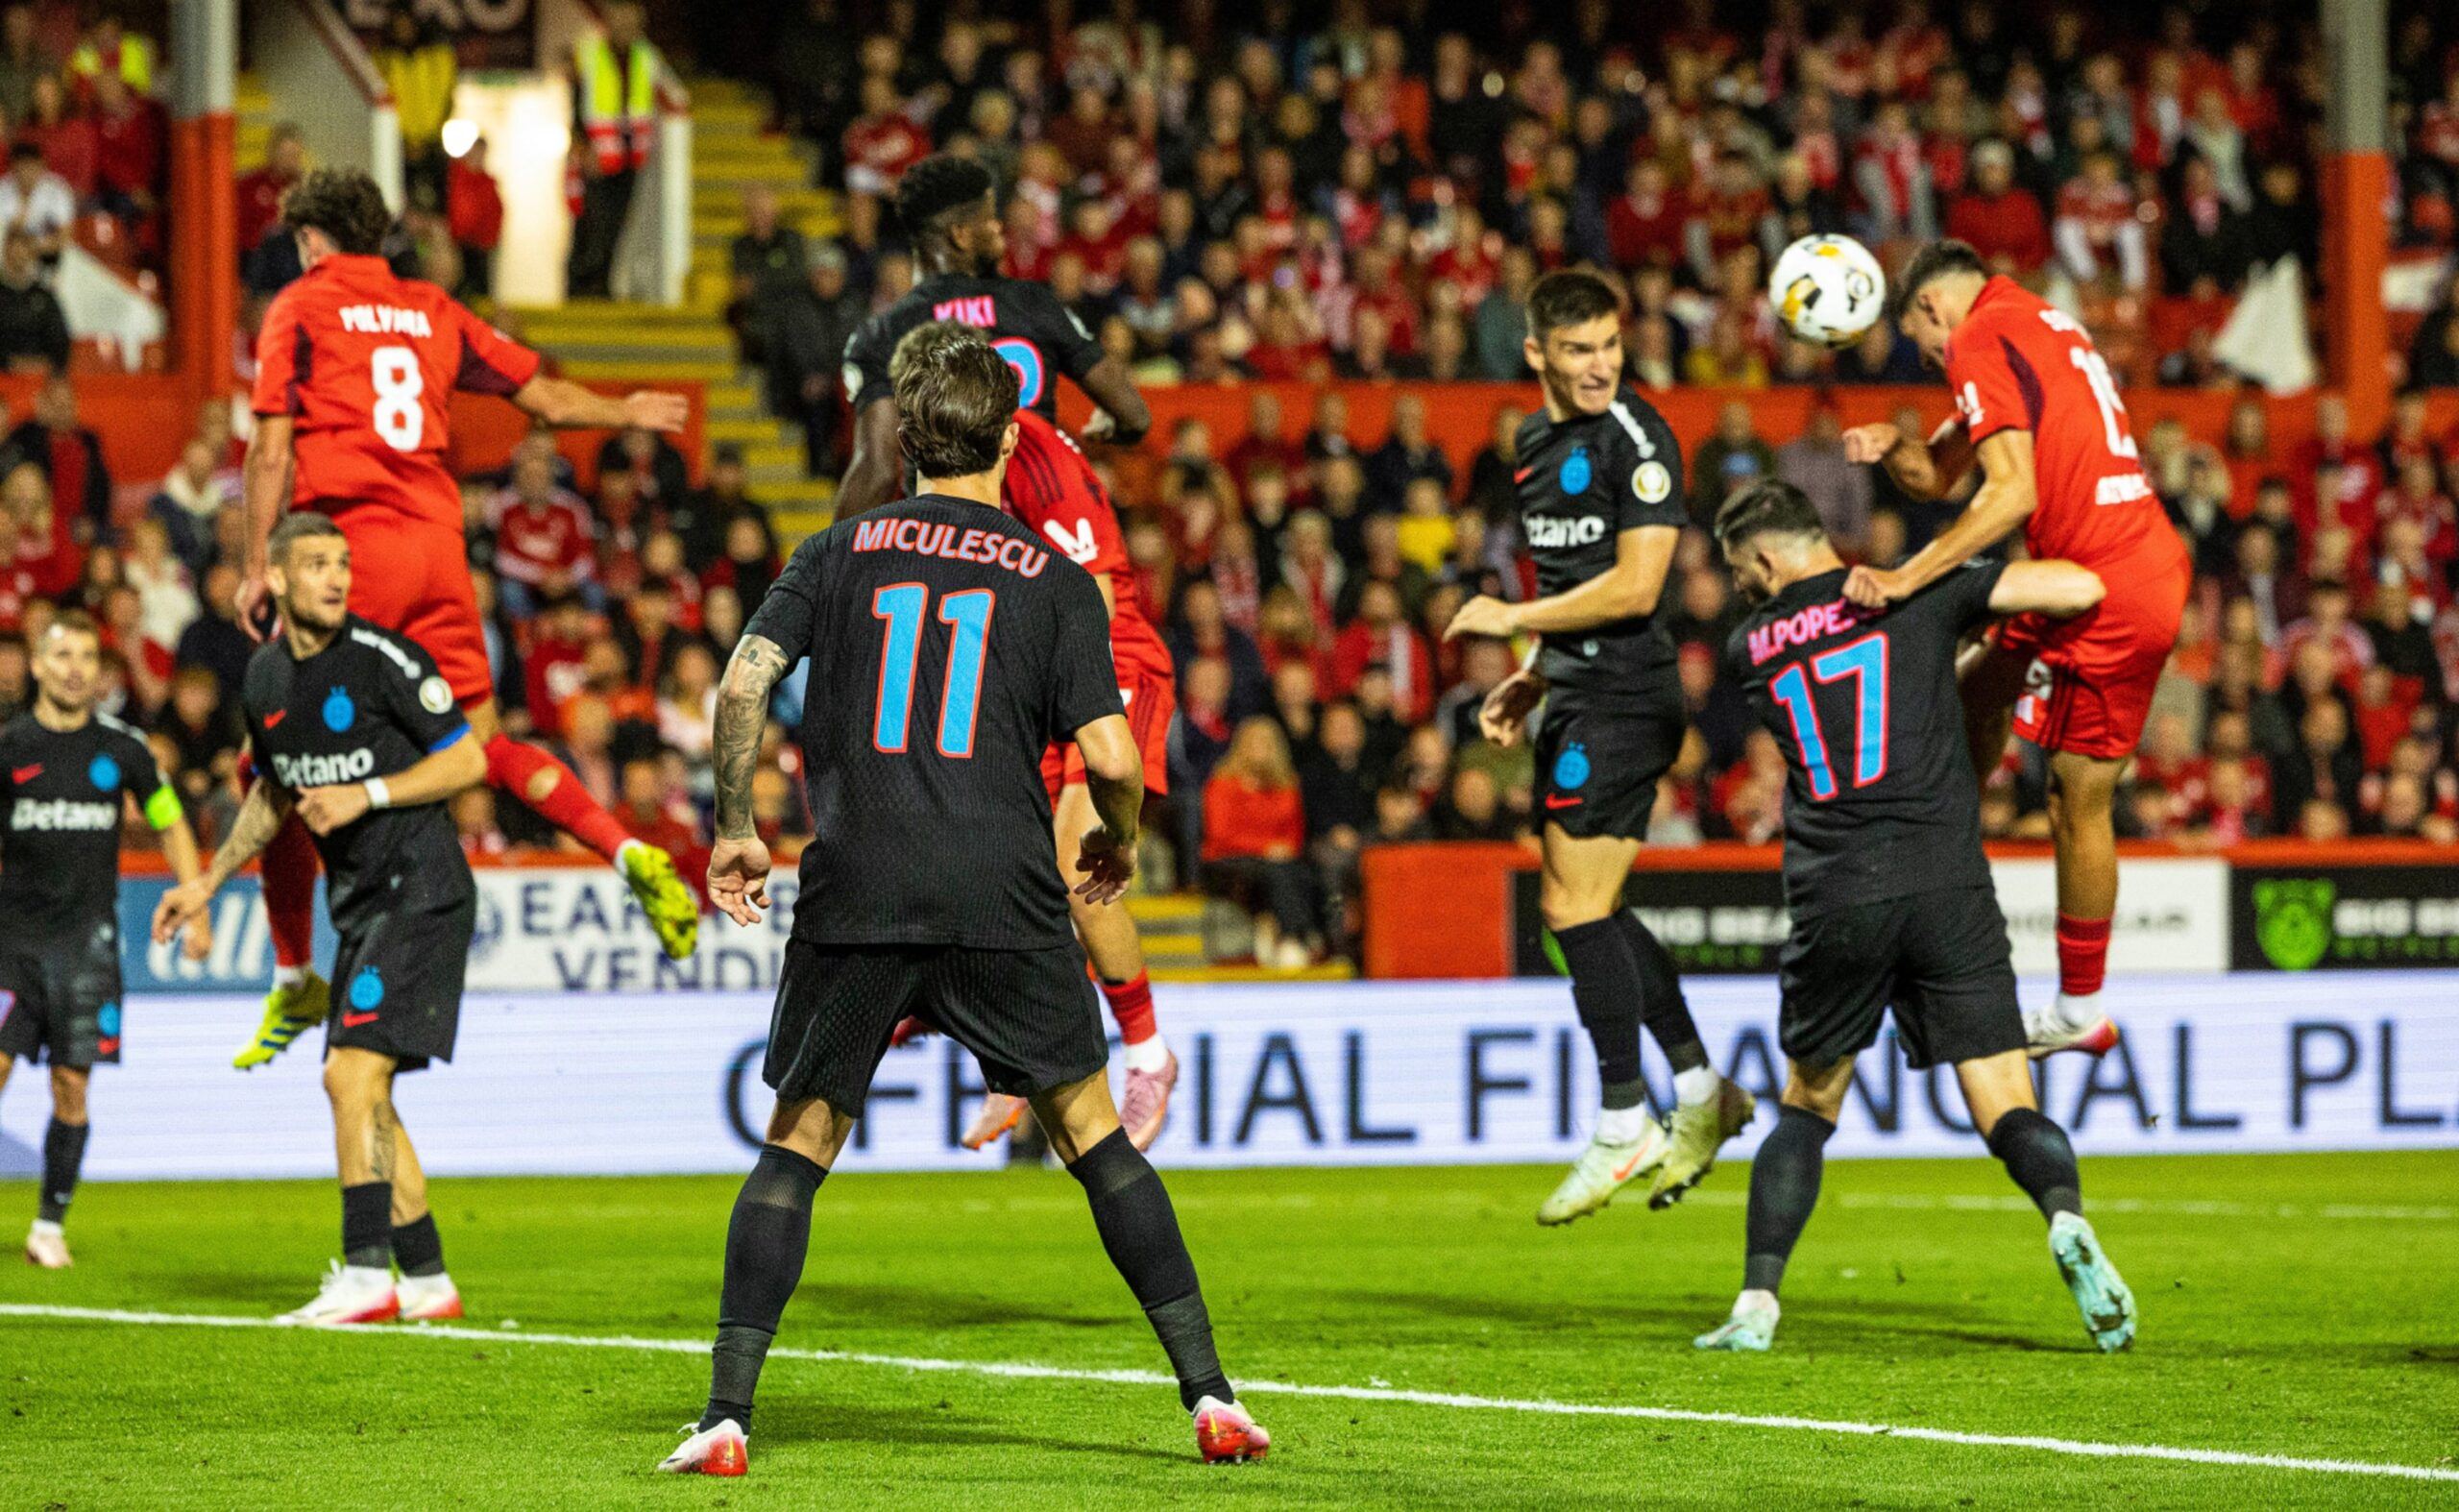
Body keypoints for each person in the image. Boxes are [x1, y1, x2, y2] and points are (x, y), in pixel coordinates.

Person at [656, 324, 1265, 1476]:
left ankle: (726, 1415)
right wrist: (1118, 845)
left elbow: (742, 678)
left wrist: (735, 826)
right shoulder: (1055, 577)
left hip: (860, 882)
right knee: (1093, 1136)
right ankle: (1212, 1397)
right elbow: (1114, 757)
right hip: (1002, 889)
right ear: (1008, 436)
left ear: (906, 441)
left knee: (797, 1145)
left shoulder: (836, 548)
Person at [233, 167, 700, 1073]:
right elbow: (548, 400)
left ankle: (295, 974)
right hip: (442, 554)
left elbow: (267, 447)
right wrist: (626, 407)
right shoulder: (431, 306)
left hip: (350, 549)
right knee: (481, 741)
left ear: (312, 240)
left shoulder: (301, 303)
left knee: (272, 762)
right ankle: (625, 846)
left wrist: (260, 563)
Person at [1699, 478, 2134, 1354]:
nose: (1742, 586)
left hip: (1836, 890)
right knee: (2006, 1099)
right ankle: (2063, 1217)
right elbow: (2079, 589)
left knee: (1809, 1105)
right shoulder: (1916, 592)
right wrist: (1937, 582)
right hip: (1946, 882)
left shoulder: (1751, 645)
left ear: (1761, 559)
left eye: (1740, 570)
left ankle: (1756, 1304)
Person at [836, 155, 1177, 1141]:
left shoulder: (1028, 453)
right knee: (981, 841)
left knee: (1074, 856)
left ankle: (1147, 1051)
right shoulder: (964, 455)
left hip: (1100, 646)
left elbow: (1087, 592)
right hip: (1036, 653)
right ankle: (1013, 1046)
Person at [1445, 269, 1753, 1224]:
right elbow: (1579, 576)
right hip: (1574, 689)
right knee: (1594, 906)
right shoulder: (1532, 443)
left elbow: (1632, 586)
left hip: (1627, 692)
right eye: (1578, 350)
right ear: (1534, 353)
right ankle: (1702, 1090)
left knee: (1571, 904)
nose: (1599, 366)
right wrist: (1533, 668)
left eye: (1610, 347)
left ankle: (1629, 1116)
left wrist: (1512, 614)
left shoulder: (1637, 435)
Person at [1841, 240, 2191, 1057]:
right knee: (1972, 692)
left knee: (2077, 799)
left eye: (1928, 352)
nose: (1938, 365)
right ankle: (1936, 875)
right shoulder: (2032, 321)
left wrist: (1905, 576)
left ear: (1933, 310)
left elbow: (2014, 492)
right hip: (2102, 566)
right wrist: (1893, 446)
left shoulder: (1975, 337)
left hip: (2107, 584)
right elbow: (1937, 475)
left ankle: (2078, 1006)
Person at [153, 515, 488, 1323]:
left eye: (342, 563)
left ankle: (367, 1272)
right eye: (316, 565)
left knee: (348, 1073)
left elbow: (468, 757)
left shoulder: (382, 660)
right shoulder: (265, 679)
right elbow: (272, 795)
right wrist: (205, 883)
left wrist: (368, 794)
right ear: (274, 580)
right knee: (362, 1086)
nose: (336, 577)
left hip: (423, 887)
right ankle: (429, 1277)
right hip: (362, 904)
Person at [0, 613, 211, 1268]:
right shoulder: (8, 748)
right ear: (37, 664)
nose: (74, 668)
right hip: (10, 947)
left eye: (87, 657)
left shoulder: (124, 750)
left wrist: (195, 901)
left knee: (72, 1088)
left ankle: (48, 1227)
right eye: (62, 654)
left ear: (100, 671)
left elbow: (171, 823)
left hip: (88, 950)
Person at [567, 2, 660, 299]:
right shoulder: (589, 54)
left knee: (617, 224)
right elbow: (576, 102)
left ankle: (602, 283)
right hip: (599, 152)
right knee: (591, 220)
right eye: (619, 21)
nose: (625, 28)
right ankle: (580, 285)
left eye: (631, 22)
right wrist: (582, 146)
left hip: (630, 155)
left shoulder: (647, 57)